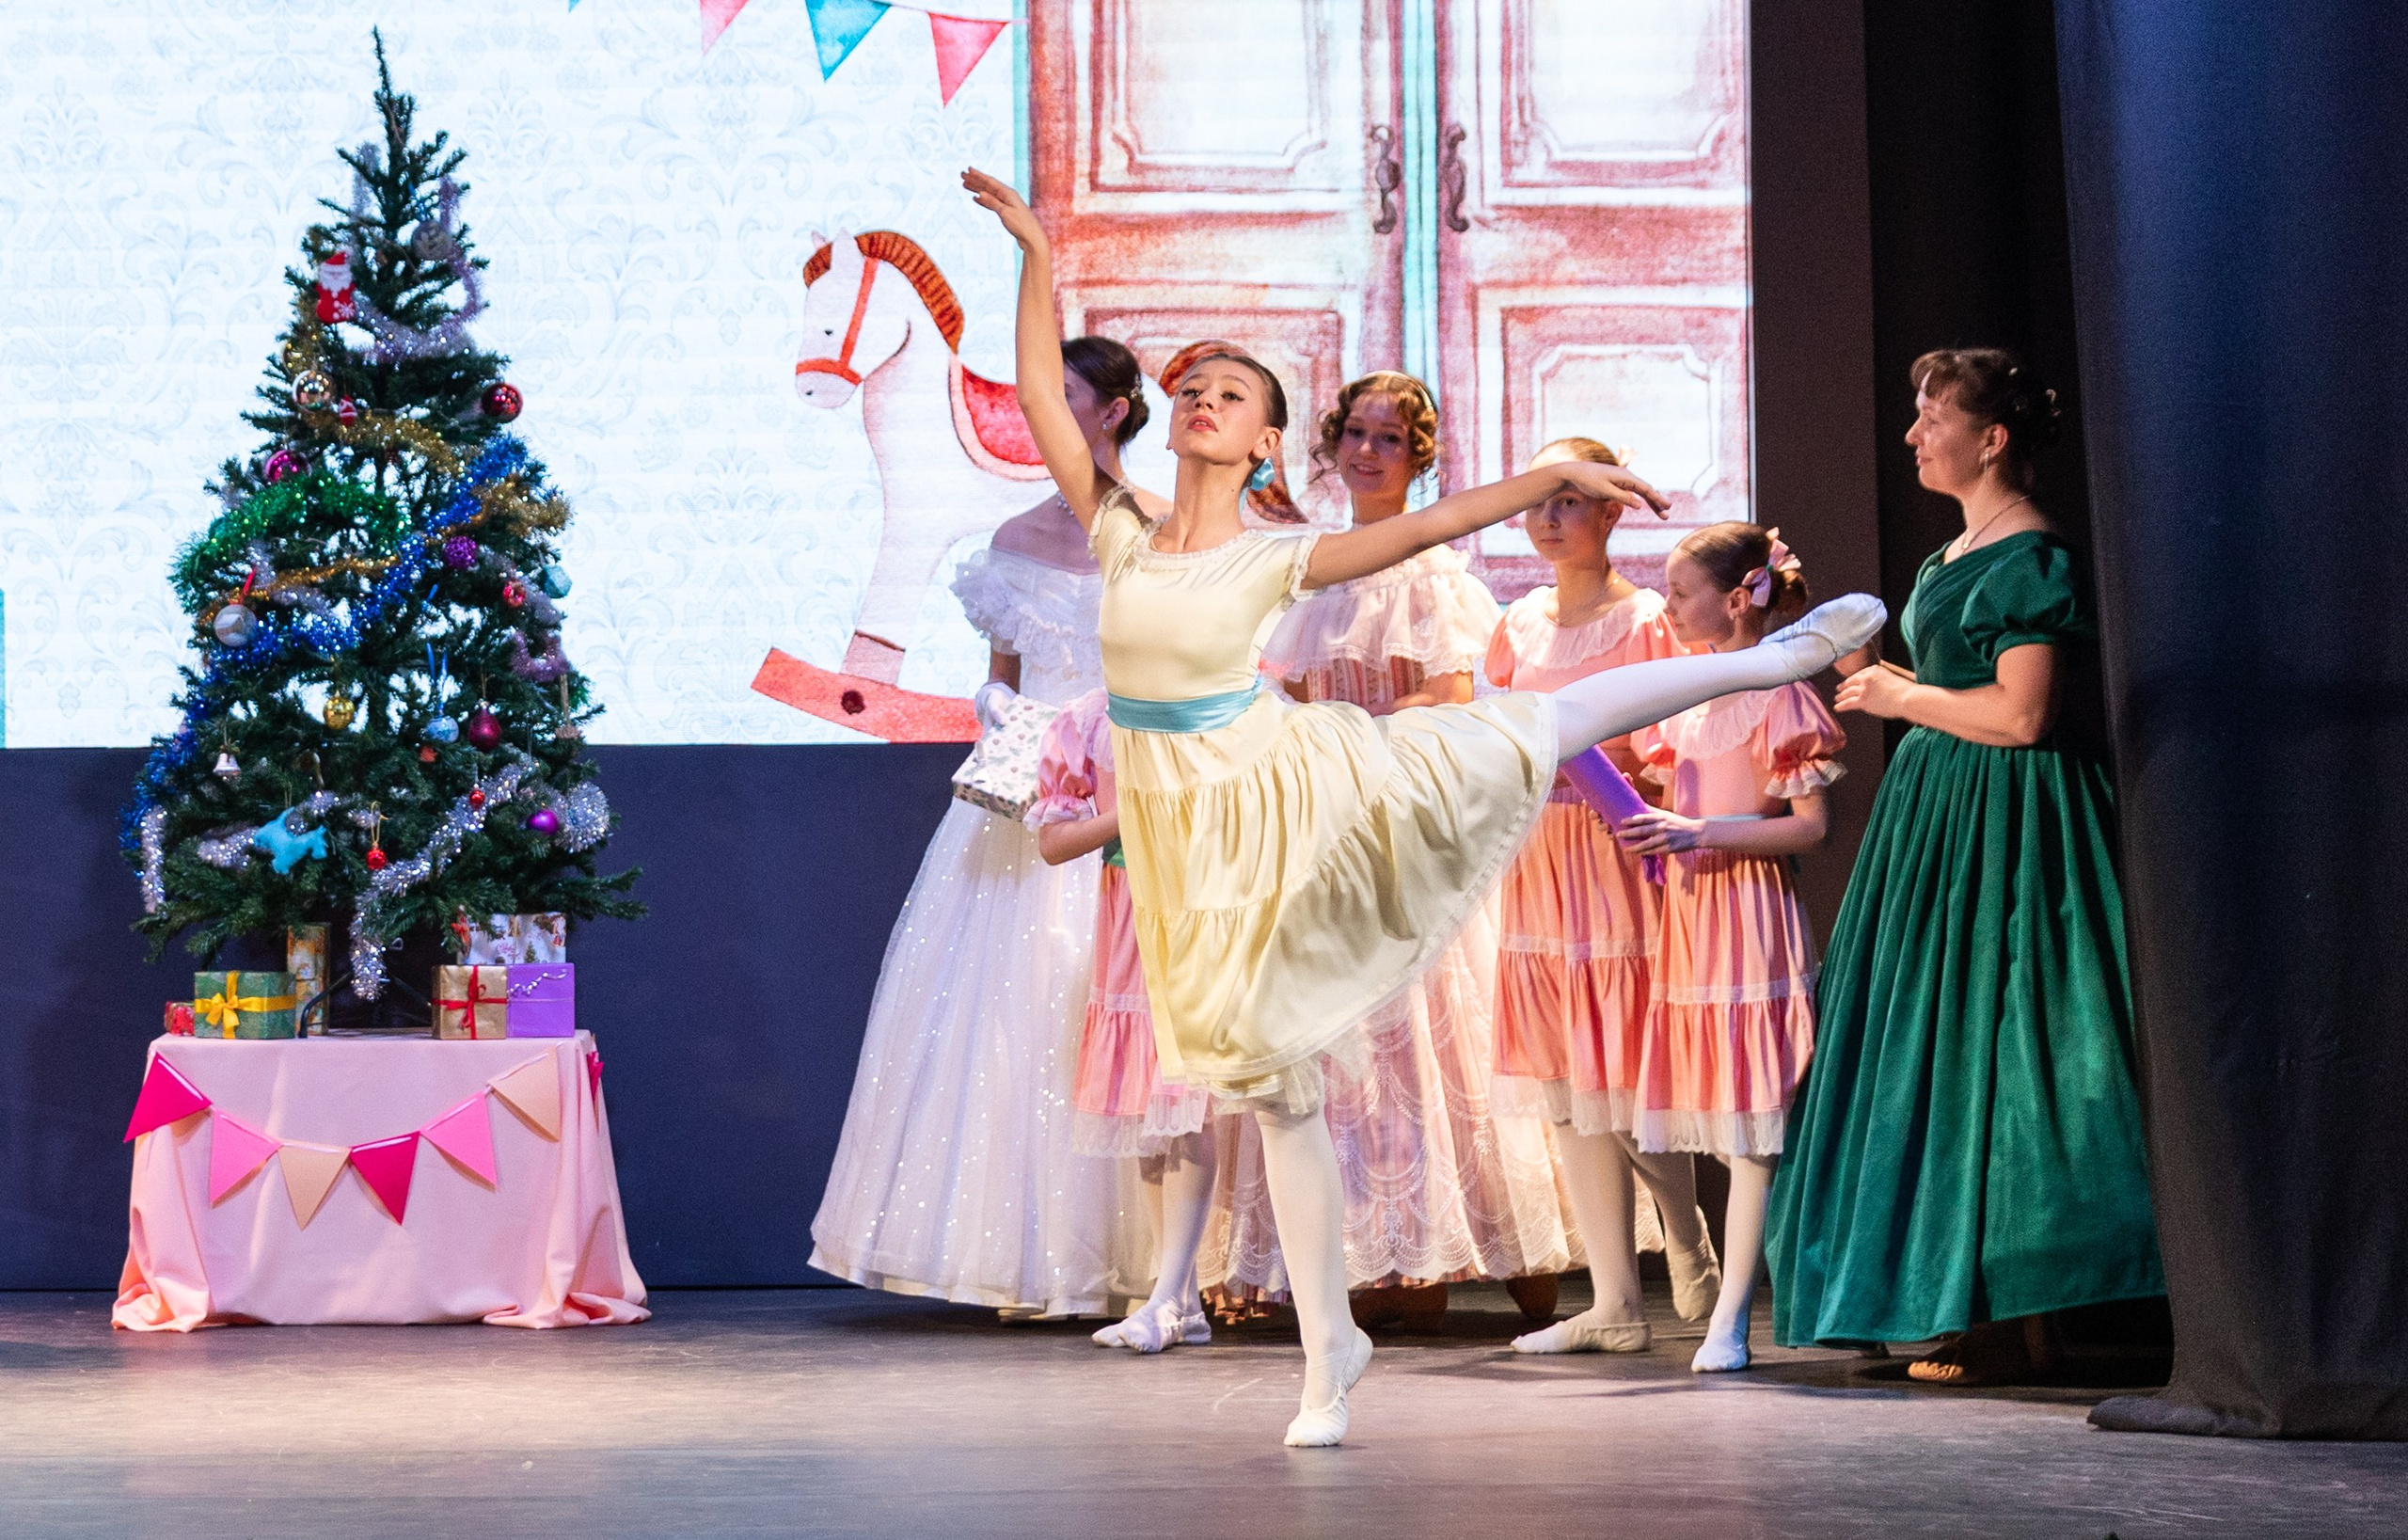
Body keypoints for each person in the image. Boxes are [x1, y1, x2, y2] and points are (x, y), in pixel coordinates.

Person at [964, 165, 1885, 1445]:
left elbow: (1431, 525)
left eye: (1230, 393)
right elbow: (1031, 402)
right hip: (1190, 838)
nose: (1199, 398)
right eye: (1189, 386)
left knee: (1539, 721)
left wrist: (1550, 477)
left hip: (1285, 783)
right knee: (1271, 1083)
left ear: (1265, 441)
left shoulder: (1277, 552)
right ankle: (1330, 1337)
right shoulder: (1120, 530)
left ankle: (1769, 659)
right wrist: (1033, 254)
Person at [1764, 348, 2162, 1385]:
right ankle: (1932, 1287)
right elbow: (1942, 687)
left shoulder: (2029, 552)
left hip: (2012, 819)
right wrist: (1861, 659)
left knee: (2004, 1041)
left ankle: (1994, 1301)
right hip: (1941, 817)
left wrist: (1903, 699)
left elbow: (2023, 715)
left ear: (1990, 439)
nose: (1911, 433)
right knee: (1927, 1042)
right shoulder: (1953, 556)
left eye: (1933, 415)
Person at [808, 337, 1163, 1319]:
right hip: (1022, 800)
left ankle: (1142, 1257)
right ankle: (1019, 1257)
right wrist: (999, 712)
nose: (1042, 410)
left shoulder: (1161, 532)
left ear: (1117, 409)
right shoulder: (1009, 536)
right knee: (1003, 1013)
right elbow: (1003, 677)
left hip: (1121, 792)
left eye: (1066, 395)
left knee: (1101, 999)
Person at [1210, 373, 1573, 1325]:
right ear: (1332, 448)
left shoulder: (1430, 576)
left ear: (1418, 458)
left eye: (1389, 439)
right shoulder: (1307, 563)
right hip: (1319, 819)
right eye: (1356, 435)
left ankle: (1445, 1251)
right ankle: (1350, 1253)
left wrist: (1346, 725)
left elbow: (1453, 697)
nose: (1369, 451)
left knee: (1419, 1026)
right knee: (1331, 1036)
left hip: (1399, 815)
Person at [1483, 437, 1724, 1356]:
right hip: (1537, 857)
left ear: (1611, 510)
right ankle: (1615, 1298)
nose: (1550, 515)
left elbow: (1677, 746)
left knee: (1621, 1071)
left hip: (1614, 853)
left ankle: (1682, 1225)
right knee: (1562, 1082)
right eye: (1539, 498)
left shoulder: (1647, 622)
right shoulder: (1514, 625)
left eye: (1570, 498)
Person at [1620, 523, 1847, 1373]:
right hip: (1690, 918)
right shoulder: (1684, 696)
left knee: (1753, 1126)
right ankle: (1722, 1302)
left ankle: (1732, 1318)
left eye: (1681, 592)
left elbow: (1810, 827)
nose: (1670, 606)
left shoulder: (1779, 696)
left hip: (1747, 917)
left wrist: (1698, 829)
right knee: (1714, 1113)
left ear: (1739, 594)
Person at [1027, 688, 1220, 1351]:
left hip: (1200, 908)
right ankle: (1180, 1295)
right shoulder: (1087, 719)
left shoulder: (1215, 695)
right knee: (1148, 1109)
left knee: (1186, 1097)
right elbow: (1053, 842)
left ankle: (1169, 1296)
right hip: (1129, 913)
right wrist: (1124, 816)